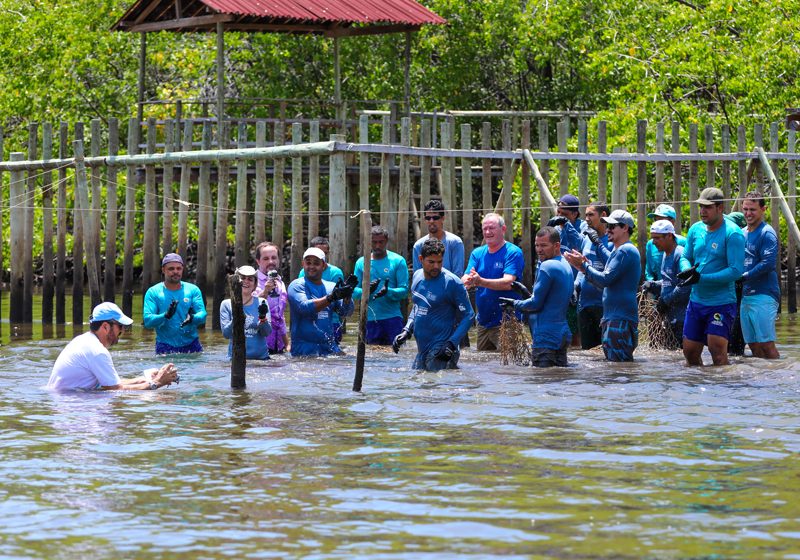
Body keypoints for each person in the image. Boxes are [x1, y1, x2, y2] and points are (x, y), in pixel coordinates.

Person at [677, 187, 745, 366]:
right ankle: (699, 389)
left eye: (707, 207)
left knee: (717, 353)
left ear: (720, 208)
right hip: (696, 301)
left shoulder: (733, 233)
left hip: (721, 302)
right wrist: (687, 270)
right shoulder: (695, 229)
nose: (702, 211)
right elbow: (685, 256)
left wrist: (701, 278)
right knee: (690, 354)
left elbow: (735, 271)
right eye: (701, 206)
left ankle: (722, 389)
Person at [564, 210, 641, 362]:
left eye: (612, 226)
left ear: (625, 228)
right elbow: (608, 261)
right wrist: (584, 263)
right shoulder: (619, 250)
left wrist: (583, 266)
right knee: (614, 368)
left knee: (619, 370)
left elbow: (605, 279)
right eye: (607, 226)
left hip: (620, 320)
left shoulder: (626, 250)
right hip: (613, 318)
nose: (607, 229)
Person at [47, 302, 179, 390]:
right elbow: (116, 391)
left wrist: (143, 380)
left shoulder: (84, 340)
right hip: (70, 403)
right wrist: (157, 383)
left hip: (64, 403)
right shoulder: (97, 351)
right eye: (120, 326)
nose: (122, 331)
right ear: (105, 327)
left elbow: (112, 384)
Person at [393, 238, 474, 370]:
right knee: (417, 386)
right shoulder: (417, 277)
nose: (436, 266)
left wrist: (452, 344)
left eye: (439, 262)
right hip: (422, 351)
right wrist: (407, 330)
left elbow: (469, 315)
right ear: (421, 259)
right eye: (431, 262)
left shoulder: (452, 282)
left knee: (434, 388)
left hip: (442, 349)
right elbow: (418, 306)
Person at [499, 226, 573, 367]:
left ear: (557, 245)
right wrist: (525, 294)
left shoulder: (547, 266)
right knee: (560, 381)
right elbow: (550, 299)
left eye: (544, 245)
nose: (539, 249)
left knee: (542, 382)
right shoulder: (565, 265)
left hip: (546, 337)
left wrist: (515, 304)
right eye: (537, 245)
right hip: (561, 333)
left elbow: (536, 304)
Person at [462, 213, 525, 351]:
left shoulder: (513, 252)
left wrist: (480, 281)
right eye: (485, 229)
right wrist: (466, 281)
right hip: (483, 323)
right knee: (484, 368)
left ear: (503, 229)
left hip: (507, 322)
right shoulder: (477, 253)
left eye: (492, 228)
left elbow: (508, 283)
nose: (487, 232)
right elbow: (466, 276)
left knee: (508, 367)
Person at [288, 248, 355, 357]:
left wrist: (347, 298)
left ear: (324, 266)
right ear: (303, 264)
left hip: (329, 346)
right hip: (304, 348)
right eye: (308, 263)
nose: (311, 266)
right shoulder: (296, 286)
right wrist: (331, 297)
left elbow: (346, 313)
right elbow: (305, 309)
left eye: (316, 263)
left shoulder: (331, 286)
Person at [352, 226, 410, 345]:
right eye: (374, 242)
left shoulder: (398, 261)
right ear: (368, 242)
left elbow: (404, 291)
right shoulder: (361, 262)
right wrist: (366, 291)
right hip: (370, 320)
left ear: (387, 240)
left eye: (381, 242)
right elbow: (353, 292)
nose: (378, 246)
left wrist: (388, 292)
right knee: (372, 358)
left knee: (397, 355)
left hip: (393, 318)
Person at [740, 191, 781, 359]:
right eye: (745, 209)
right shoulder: (741, 233)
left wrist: (744, 276)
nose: (748, 213)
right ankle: (760, 381)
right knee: (753, 346)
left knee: (766, 343)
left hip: (764, 294)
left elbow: (768, 263)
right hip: (746, 295)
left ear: (763, 209)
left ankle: (778, 375)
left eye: (753, 209)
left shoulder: (767, 233)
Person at [640, 220, 691, 349]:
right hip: (669, 318)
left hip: (682, 319)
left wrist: (665, 299)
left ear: (669, 236)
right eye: (652, 238)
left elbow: (686, 285)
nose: (654, 242)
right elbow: (670, 282)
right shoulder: (664, 254)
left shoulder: (679, 254)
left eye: (657, 238)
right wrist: (652, 285)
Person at [143, 253, 207, 354]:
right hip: (165, 346)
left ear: (182, 269)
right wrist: (165, 316)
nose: (175, 272)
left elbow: (202, 314)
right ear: (163, 270)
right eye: (171, 269)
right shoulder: (153, 292)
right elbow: (147, 321)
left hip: (191, 344)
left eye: (178, 268)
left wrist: (193, 318)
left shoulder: (193, 290)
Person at [547, 194, 585, 347]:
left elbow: (580, 247)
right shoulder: (555, 228)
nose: (560, 217)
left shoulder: (584, 227)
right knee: (558, 333)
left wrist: (567, 226)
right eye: (558, 213)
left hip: (577, 289)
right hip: (558, 289)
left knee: (576, 336)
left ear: (575, 214)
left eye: (565, 215)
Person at [574, 202, 613, 350]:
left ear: (603, 216)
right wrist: (575, 286)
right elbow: (582, 268)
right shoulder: (586, 239)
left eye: (591, 215)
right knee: (588, 354)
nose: (587, 219)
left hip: (604, 306)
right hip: (584, 305)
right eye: (586, 215)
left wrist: (598, 243)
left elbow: (612, 267)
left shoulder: (612, 241)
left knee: (607, 352)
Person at [220, 266, 273, 360]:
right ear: (236, 282)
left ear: (255, 284)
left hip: (261, 359)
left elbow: (267, 333)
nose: (246, 282)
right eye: (242, 278)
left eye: (250, 279)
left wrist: (262, 318)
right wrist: (237, 316)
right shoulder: (226, 304)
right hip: (236, 359)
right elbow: (226, 334)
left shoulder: (261, 303)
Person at [299, 237, 345, 343]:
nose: (322, 257)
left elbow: (339, 303)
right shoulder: (304, 272)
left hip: (331, 320)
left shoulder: (335, 272)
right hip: (310, 320)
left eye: (325, 254)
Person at [252, 241, 290, 354]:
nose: (271, 262)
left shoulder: (280, 283)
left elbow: (280, 317)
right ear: (258, 261)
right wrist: (265, 292)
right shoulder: (251, 282)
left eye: (274, 257)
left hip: (279, 346)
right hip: (259, 346)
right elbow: (247, 306)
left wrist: (287, 344)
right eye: (266, 258)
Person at [412, 200, 465, 277]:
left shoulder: (455, 242)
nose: (431, 221)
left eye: (435, 218)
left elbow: (457, 275)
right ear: (424, 219)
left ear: (442, 219)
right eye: (428, 218)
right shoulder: (418, 245)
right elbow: (417, 276)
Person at [644, 204, 687, 281]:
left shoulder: (683, 243)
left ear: (672, 222)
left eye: (660, 220)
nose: (657, 222)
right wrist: (653, 285)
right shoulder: (651, 244)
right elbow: (649, 272)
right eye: (655, 220)